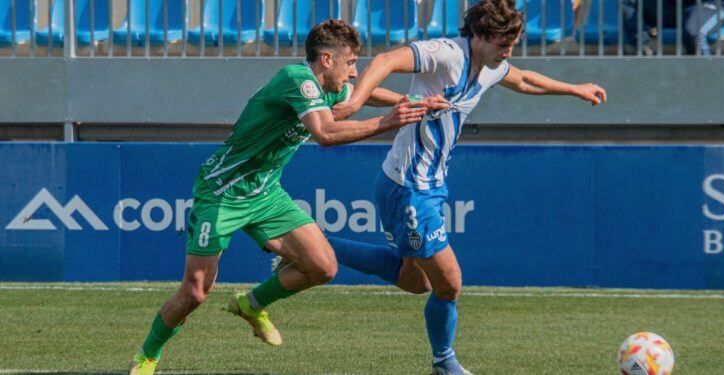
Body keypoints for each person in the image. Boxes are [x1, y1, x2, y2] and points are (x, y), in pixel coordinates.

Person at [128, 19, 448, 375]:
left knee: (324, 267)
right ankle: (147, 356)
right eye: (351, 63)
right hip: (222, 193)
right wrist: (391, 121)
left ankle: (251, 304)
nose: (356, 73)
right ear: (327, 59)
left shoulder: (326, 85)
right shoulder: (297, 80)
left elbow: (363, 95)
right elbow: (326, 133)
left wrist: (413, 103)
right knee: (195, 293)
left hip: (266, 193)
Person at [320, 1, 607, 374]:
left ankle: (316, 244)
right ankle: (445, 363)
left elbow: (523, 79)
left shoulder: (488, 66)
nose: (508, 52)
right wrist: (356, 101)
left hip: (426, 186)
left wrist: (574, 88)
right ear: (480, 36)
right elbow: (387, 60)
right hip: (409, 187)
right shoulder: (447, 53)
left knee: (415, 280)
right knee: (450, 284)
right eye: (504, 44)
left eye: (512, 43)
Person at [623, 0, 724, 55]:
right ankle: (644, 49)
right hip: (672, 6)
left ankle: (706, 82)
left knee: (694, 32)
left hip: (708, 5)